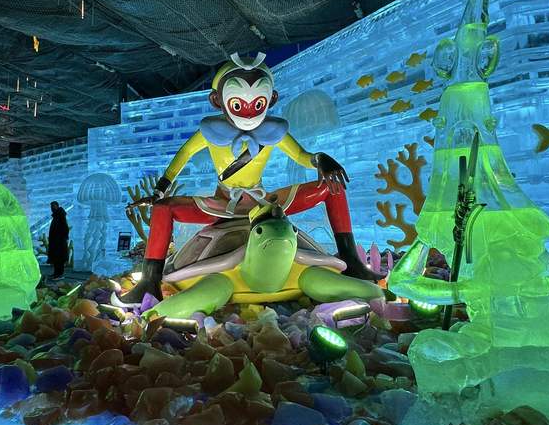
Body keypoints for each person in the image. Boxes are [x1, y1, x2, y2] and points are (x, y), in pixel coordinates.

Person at [119, 53, 376, 305]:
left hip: (264, 202)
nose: (249, 112)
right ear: (217, 100)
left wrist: (320, 159)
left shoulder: (273, 131)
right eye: (239, 105)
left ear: (271, 99)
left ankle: (350, 259)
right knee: (163, 208)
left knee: (332, 187)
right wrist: (159, 191)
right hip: (223, 204)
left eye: (258, 104)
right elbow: (184, 155)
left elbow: (301, 155)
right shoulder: (210, 131)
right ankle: (149, 281)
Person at [47, 201, 70, 280]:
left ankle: (59, 274)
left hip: (59, 242)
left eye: (53, 206)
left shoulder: (60, 215)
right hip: (55, 241)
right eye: (51, 207)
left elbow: (65, 227)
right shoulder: (56, 216)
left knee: (59, 258)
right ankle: (56, 273)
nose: (52, 208)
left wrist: (62, 238)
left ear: (57, 206)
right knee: (56, 258)